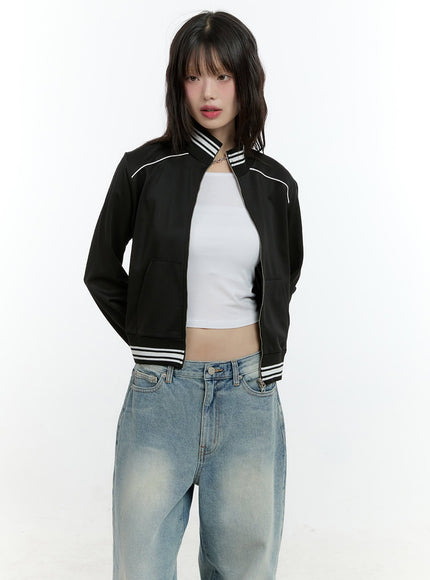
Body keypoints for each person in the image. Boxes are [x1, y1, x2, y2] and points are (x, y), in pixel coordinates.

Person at [83, 9, 304, 580]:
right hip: (161, 392)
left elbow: (285, 275)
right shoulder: (143, 170)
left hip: (249, 395)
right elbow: (101, 270)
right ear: (177, 83)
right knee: (141, 566)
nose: (208, 92)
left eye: (222, 75)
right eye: (194, 75)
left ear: (245, 81)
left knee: (245, 568)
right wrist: (152, 334)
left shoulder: (276, 184)